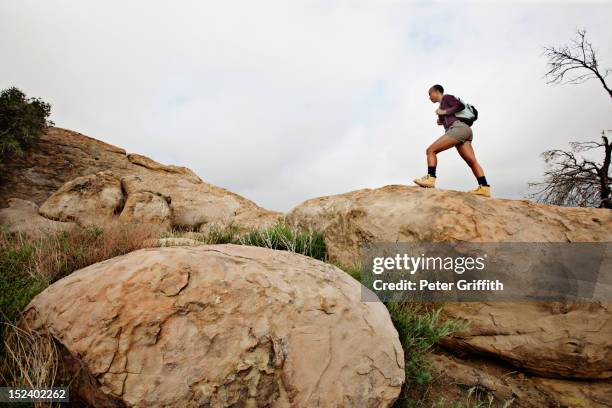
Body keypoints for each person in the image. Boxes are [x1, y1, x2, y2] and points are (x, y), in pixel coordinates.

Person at [413, 84, 491, 197]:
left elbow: (460, 106)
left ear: (436, 92)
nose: (429, 97)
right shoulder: (442, 106)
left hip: (458, 129)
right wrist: (440, 119)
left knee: (430, 150)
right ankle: (484, 187)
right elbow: (447, 117)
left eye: (430, 94)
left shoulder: (447, 97)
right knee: (471, 161)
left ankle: (430, 178)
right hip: (465, 131)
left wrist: (443, 113)